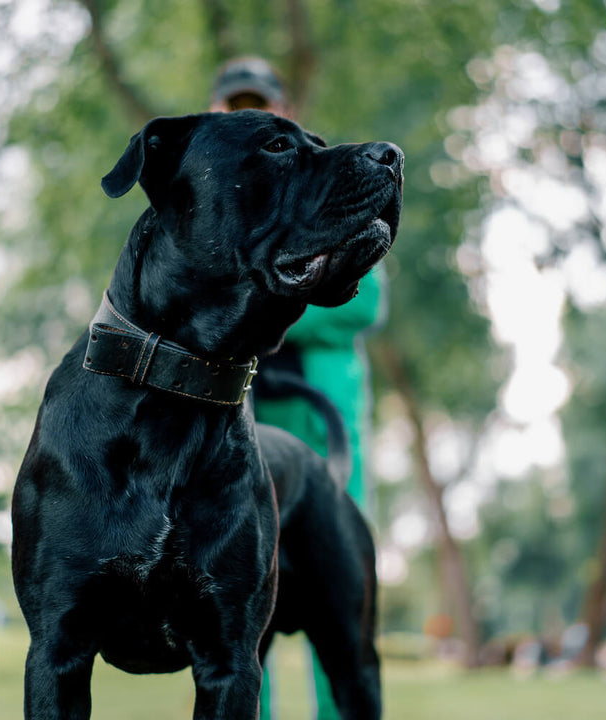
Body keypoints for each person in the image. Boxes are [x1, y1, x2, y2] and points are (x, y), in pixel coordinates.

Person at [210, 56, 387, 720]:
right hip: (237, 439)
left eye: (259, 101)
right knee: (234, 626)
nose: (245, 111)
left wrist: (267, 300)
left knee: (337, 611)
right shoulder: (209, 199)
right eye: (233, 104)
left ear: (282, 107)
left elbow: (362, 303)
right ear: (214, 111)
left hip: (323, 427)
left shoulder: (326, 183)